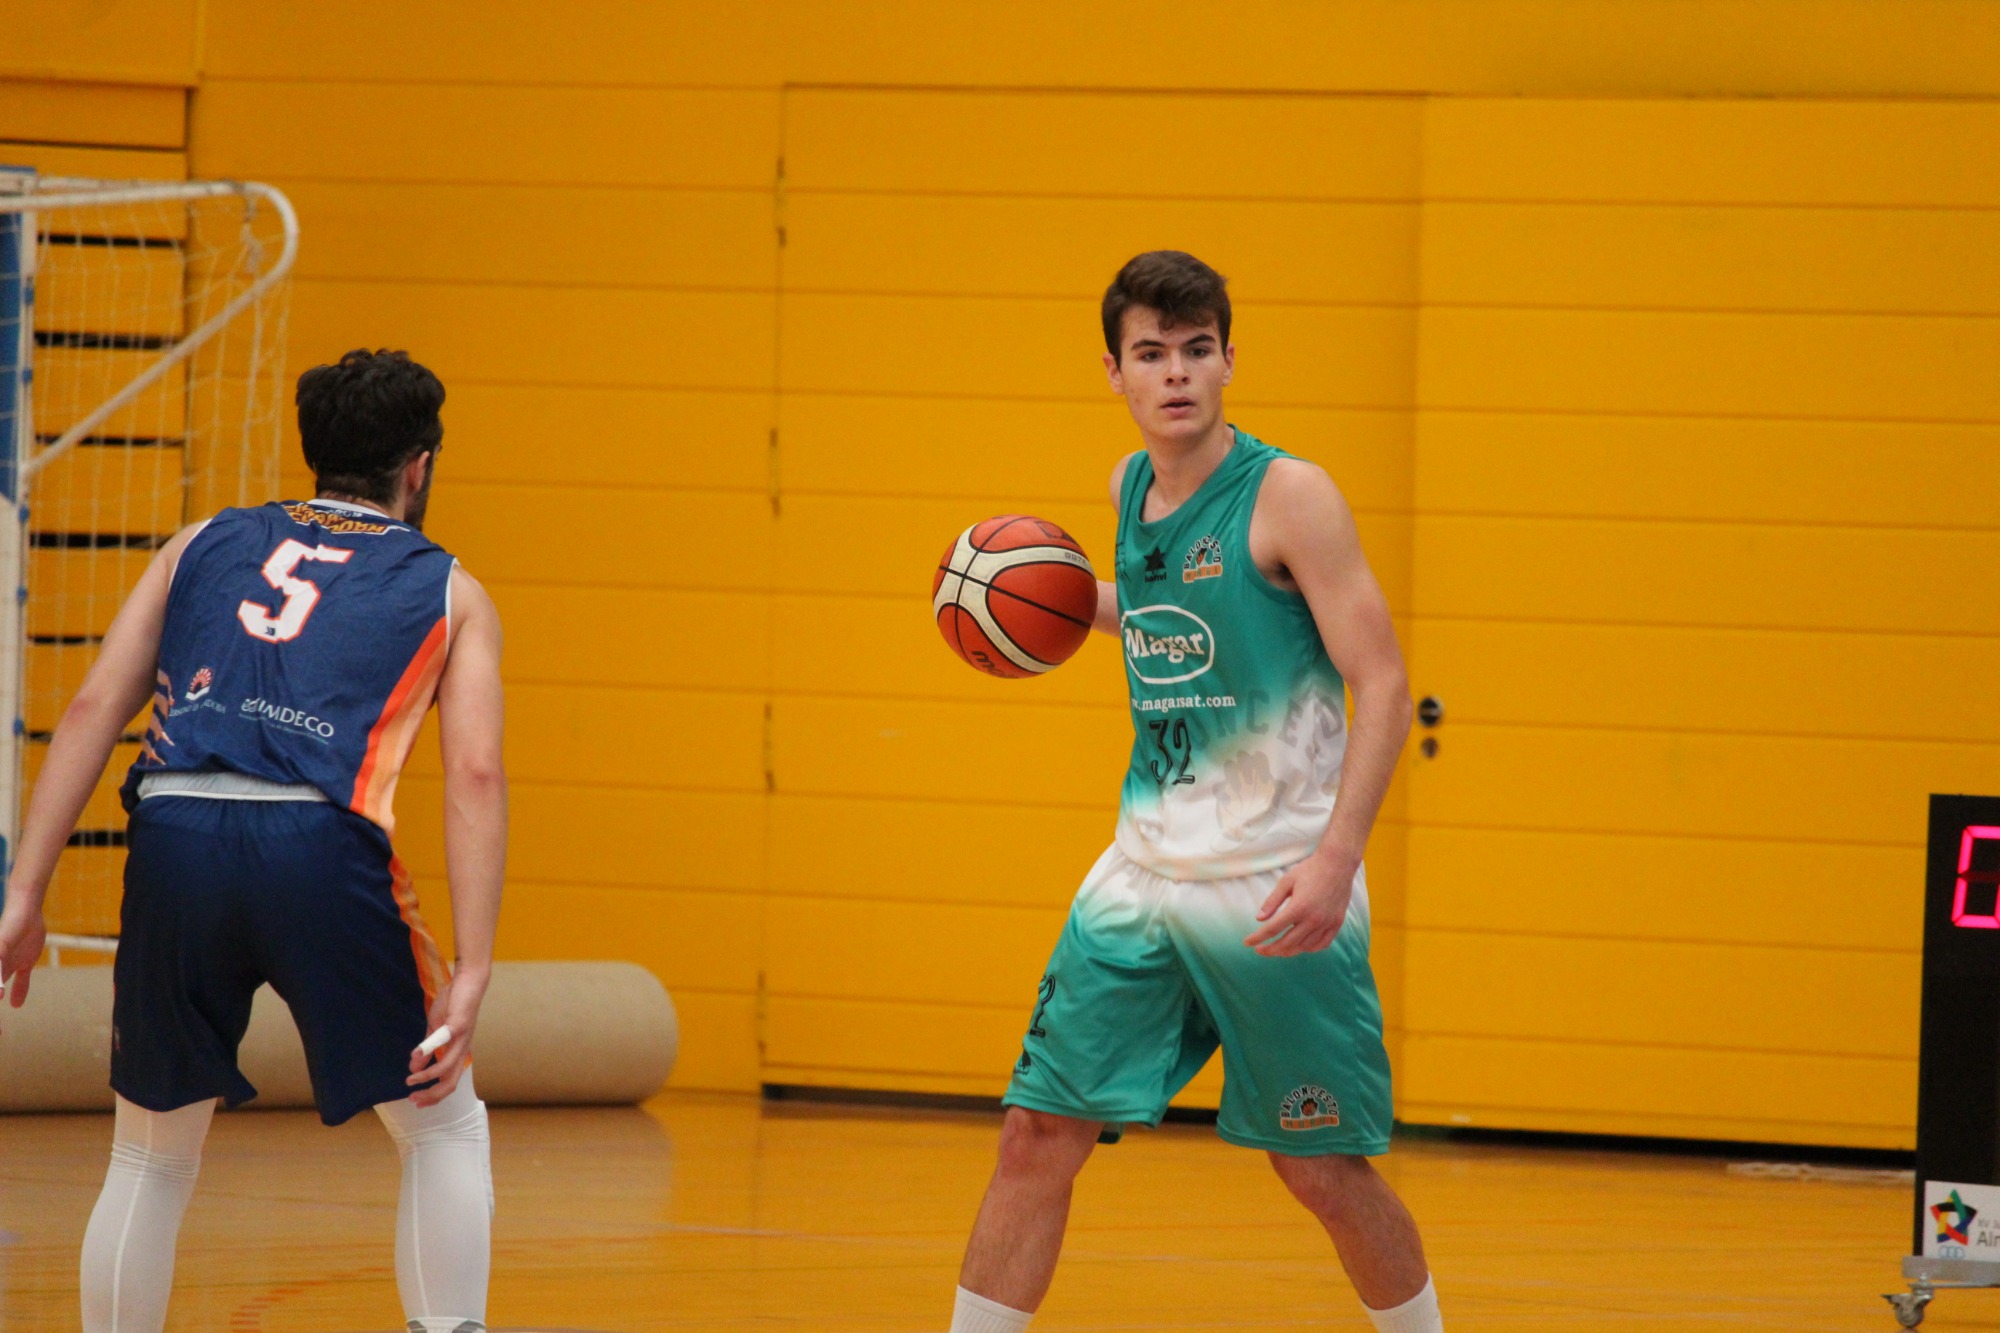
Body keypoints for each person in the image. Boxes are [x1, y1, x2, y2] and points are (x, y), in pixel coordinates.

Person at [944, 253, 1442, 1333]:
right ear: (1114, 372)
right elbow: (1164, 610)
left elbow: (1383, 682)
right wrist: (1035, 601)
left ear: (1227, 360)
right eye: (1150, 353)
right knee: (1035, 1135)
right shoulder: (1128, 487)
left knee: (1318, 1168)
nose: (1175, 372)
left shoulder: (1290, 496)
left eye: (1196, 349)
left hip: (1276, 880)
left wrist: (1336, 860)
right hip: (1141, 872)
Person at [0, 348, 507, 1333]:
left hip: (175, 828)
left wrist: (25, 889)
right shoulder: (450, 589)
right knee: (442, 1124)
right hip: (319, 841)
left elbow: (95, 706)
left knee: (148, 1154)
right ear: (418, 468)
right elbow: (476, 775)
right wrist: (476, 964)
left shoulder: (199, 542)